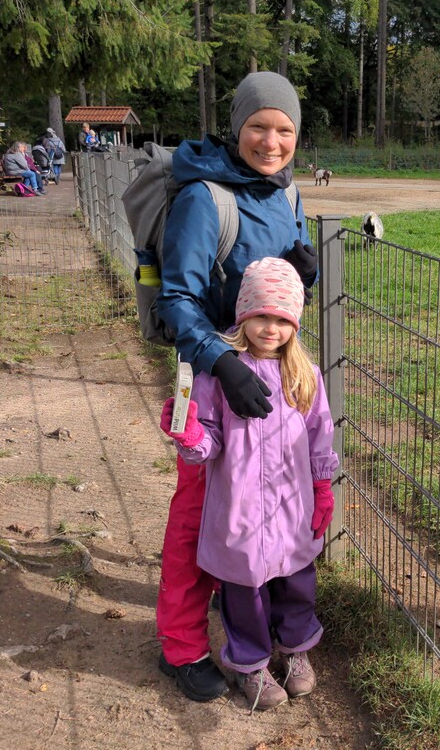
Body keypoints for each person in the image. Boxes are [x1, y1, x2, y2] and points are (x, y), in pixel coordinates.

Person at [152, 71, 320, 703]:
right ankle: (182, 644)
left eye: (284, 130)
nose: (271, 141)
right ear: (236, 126)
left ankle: (255, 619)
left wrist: (308, 272)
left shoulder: (287, 193)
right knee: (198, 516)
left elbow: (284, 289)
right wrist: (222, 366)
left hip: (271, 377)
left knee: (262, 508)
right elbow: (178, 300)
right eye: (259, 126)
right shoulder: (205, 197)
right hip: (214, 378)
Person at [159, 258, 337, 711]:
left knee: (297, 583)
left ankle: (295, 651)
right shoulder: (217, 377)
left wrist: (322, 487)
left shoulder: (305, 376)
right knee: (244, 594)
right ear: (243, 316)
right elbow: (208, 444)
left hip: (291, 509)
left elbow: (321, 435)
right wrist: (189, 433)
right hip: (239, 512)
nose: (270, 328)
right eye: (261, 316)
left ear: (295, 323)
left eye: (282, 319)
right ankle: (251, 663)